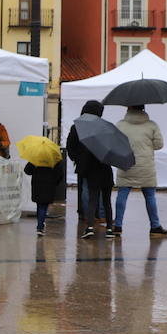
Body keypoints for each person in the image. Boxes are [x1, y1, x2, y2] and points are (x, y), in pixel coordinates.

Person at [114, 104, 167, 237]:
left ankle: (117, 225)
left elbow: (115, 143)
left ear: (128, 108)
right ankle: (155, 226)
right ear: (143, 109)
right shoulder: (151, 125)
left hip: (126, 163)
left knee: (122, 193)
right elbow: (159, 145)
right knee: (150, 196)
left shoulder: (120, 125)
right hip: (145, 165)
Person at [64, 100, 117, 239]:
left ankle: (90, 226)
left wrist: (77, 159)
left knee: (91, 196)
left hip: (87, 168)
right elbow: (112, 147)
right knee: (106, 200)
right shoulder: (105, 127)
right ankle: (110, 229)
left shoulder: (77, 127)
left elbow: (70, 146)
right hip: (105, 167)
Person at [24, 154, 66, 236]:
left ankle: (40, 225)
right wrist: (55, 182)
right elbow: (60, 173)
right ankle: (40, 227)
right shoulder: (54, 158)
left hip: (37, 184)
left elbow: (27, 170)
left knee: (39, 205)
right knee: (43, 206)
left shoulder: (36, 157)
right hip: (49, 184)